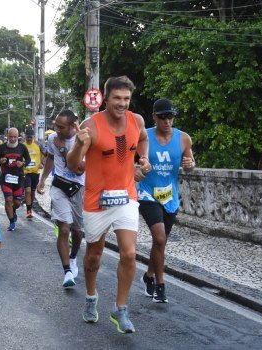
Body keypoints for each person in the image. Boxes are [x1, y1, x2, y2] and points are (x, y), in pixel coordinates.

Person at [67, 76, 151, 333]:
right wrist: (80, 144)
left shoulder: (136, 120)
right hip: (97, 201)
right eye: (117, 98)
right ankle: (91, 297)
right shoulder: (90, 126)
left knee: (128, 253)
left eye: (126, 99)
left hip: (126, 196)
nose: (122, 103)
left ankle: (120, 308)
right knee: (94, 255)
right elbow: (73, 165)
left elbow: (143, 139)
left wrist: (144, 159)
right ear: (106, 98)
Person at [135, 98, 195, 303]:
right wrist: (136, 170)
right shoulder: (144, 137)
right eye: (162, 117)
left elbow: (190, 162)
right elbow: (129, 162)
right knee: (159, 238)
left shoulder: (184, 138)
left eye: (170, 116)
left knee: (160, 243)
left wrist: (190, 163)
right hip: (147, 194)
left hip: (170, 196)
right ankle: (160, 286)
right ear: (154, 117)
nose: (167, 121)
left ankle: (148, 276)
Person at [37, 110, 85, 288]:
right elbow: (50, 158)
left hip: (79, 188)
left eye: (61, 126)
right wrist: (43, 179)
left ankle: (73, 258)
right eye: (55, 125)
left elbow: (79, 169)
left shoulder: (83, 140)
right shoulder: (53, 139)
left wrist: (63, 148)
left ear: (73, 126)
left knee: (78, 232)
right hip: (59, 186)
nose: (56, 129)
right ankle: (67, 272)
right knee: (64, 229)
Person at [0, 127, 31, 231]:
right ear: (7, 136)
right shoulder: (1, 148)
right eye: (11, 136)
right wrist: (0, 161)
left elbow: (28, 160)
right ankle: (11, 222)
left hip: (19, 178)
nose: (13, 139)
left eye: (15, 136)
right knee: (8, 199)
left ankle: (13, 210)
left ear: (18, 136)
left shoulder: (22, 147)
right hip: (6, 178)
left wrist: (23, 163)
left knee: (17, 203)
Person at [23, 129, 44, 220]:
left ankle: (30, 207)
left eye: (31, 138)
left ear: (33, 137)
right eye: (28, 138)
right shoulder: (22, 145)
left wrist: (42, 163)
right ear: (25, 137)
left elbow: (46, 154)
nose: (29, 139)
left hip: (35, 172)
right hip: (25, 172)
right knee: (27, 191)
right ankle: (28, 211)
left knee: (32, 192)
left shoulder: (38, 145)